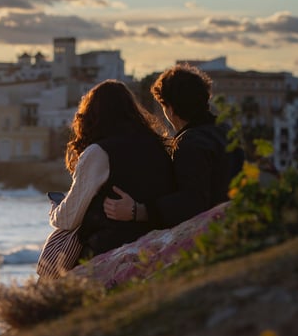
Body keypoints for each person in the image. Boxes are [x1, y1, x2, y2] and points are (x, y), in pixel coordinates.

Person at [39, 80, 175, 279]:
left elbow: (68, 219)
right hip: (153, 240)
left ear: (92, 115)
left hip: (108, 248)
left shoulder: (99, 152)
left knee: (46, 286)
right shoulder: (157, 146)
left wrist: (55, 210)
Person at [104, 64, 244, 228]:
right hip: (236, 222)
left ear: (170, 109)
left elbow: (192, 202)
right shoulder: (225, 132)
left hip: (212, 233)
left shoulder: (190, 143)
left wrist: (138, 211)